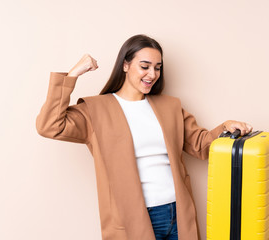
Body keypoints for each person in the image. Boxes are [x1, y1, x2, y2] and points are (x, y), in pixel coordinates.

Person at [36, 34, 253, 240]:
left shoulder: (170, 107)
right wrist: (73, 74)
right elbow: (50, 126)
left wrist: (226, 127)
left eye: (158, 68)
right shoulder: (96, 110)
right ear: (125, 65)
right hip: (135, 219)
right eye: (145, 66)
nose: (152, 74)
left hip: (178, 211)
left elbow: (201, 145)